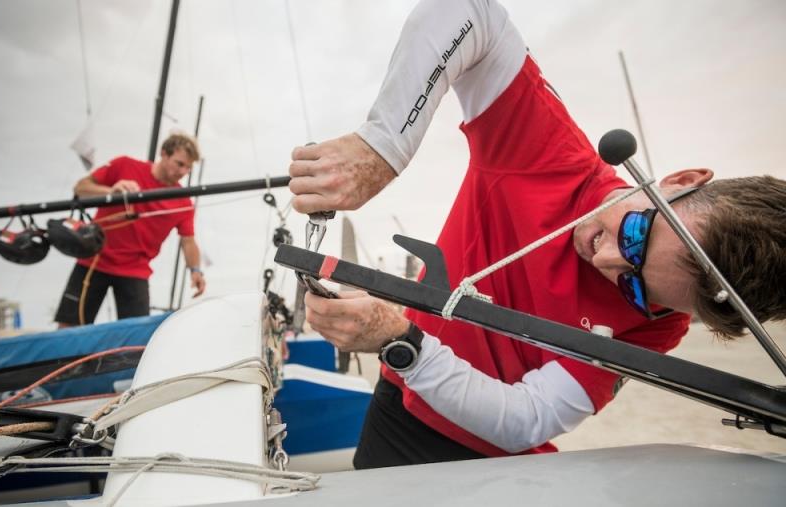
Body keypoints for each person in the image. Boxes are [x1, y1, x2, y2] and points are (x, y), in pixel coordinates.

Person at [288, 0, 786, 469]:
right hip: (406, 423)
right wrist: (383, 146)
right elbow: (468, 13)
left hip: (510, 463)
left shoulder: (663, 322)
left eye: (636, 288)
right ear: (679, 181)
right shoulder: (549, 155)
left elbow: (527, 418)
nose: (607, 260)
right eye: (636, 234)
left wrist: (403, 342)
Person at [54, 133, 206, 327]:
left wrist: (195, 270)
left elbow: (188, 240)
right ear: (163, 154)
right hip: (93, 260)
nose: (183, 171)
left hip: (135, 271)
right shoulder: (124, 165)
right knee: (68, 329)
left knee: (135, 338)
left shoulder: (183, 201)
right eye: (179, 164)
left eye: (188, 167)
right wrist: (112, 192)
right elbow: (81, 188)